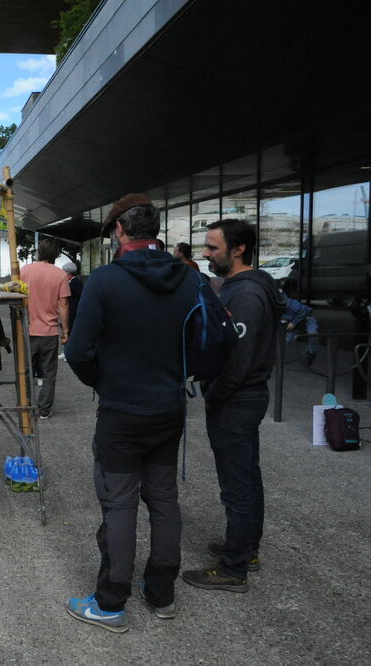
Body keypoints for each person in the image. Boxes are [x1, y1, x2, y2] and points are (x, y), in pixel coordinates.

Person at [64, 194, 198, 633]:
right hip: (168, 408)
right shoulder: (188, 277)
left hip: (122, 413)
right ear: (155, 230)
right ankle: (161, 593)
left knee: (119, 504)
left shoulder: (105, 280)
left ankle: (110, 603)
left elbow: (78, 351)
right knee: (164, 498)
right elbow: (206, 342)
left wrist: (104, 382)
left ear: (119, 230)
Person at [182, 219, 284, 593]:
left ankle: (234, 568)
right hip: (243, 397)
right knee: (246, 477)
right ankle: (245, 548)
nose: (205, 254)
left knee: (237, 485)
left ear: (238, 249)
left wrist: (215, 393)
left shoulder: (246, 294)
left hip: (237, 400)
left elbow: (238, 360)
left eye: (212, 247)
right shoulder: (248, 287)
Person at [20, 238, 70, 419]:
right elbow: (63, 305)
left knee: (25, 370)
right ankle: (44, 410)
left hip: (27, 329)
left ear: (39, 252)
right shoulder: (60, 275)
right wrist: (65, 332)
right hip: (50, 332)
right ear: (56, 255)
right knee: (49, 373)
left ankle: (24, 405)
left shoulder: (25, 270)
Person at [281, 290, 318, 366]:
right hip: (291, 321)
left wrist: (294, 322)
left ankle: (311, 353)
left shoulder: (289, 302)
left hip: (306, 319)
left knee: (312, 334)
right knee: (285, 340)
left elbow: (305, 310)